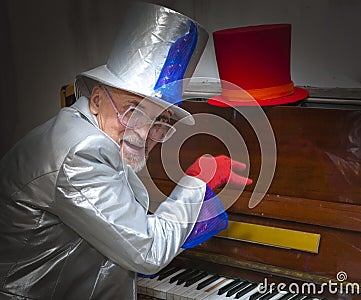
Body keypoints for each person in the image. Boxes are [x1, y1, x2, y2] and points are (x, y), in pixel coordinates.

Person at [0, 2, 251, 299]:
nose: (143, 134)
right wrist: (197, 181)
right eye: (132, 111)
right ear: (96, 99)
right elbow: (147, 252)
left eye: (160, 120)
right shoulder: (81, 151)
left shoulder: (82, 132)